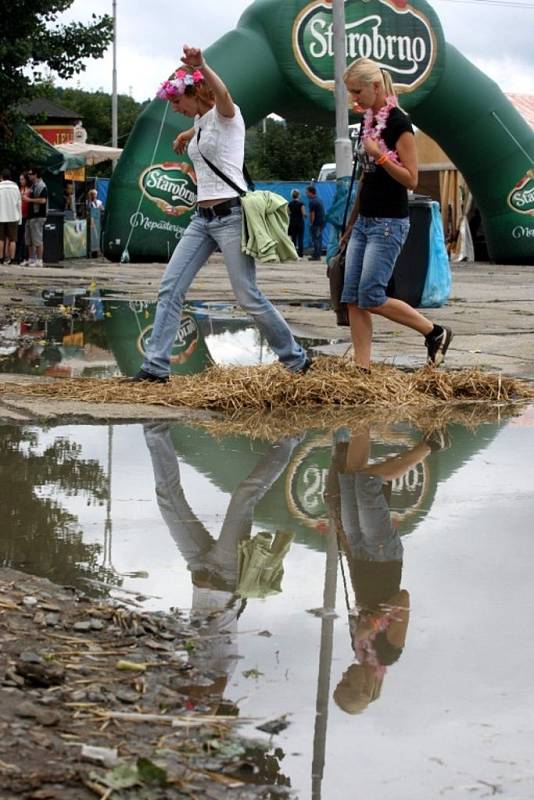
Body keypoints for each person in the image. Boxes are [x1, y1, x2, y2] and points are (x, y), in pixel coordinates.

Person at [132, 45, 310, 382]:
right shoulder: (200, 122)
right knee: (170, 286)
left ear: (195, 92)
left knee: (247, 296)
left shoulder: (230, 115)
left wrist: (202, 65)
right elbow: (203, 128)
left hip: (231, 217)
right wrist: (188, 133)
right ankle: (155, 366)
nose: (174, 108)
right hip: (202, 220)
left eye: (176, 101)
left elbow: (223, 96)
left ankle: (296, 359)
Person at [327, 424, 449, 714]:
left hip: (359, 554)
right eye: (345, 683)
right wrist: (374, 622)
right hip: (383, 558)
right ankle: (432, 446)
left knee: (349, 480)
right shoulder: (388, 653)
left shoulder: (359, 652)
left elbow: (361, 600)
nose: (342, 676)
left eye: (338, 682)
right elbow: (403, 599)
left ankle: (364, 418)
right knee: (368, 484)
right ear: (364, 688)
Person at [340, 58, 453, 371]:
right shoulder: (369, 120)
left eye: (357, 91)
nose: (354, 98)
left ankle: (435, 332)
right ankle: (363, 368)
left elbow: (412, 179)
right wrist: (351, 222)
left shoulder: (399, 123)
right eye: (350, 92)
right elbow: (366, 175)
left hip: (389, 223)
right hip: (364, 221)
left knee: (372, 295)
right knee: (352, 296)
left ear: (376, 86)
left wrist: (381, 158)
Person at [25, 167, 48, 267]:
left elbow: (43, 200)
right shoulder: (33, 185)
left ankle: (39, 260)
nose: (29, 176)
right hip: (31, 216)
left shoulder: (42, 186)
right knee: (29, 239)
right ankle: (31, 259)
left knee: (37, 239)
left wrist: (29, 200)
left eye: (31, 174)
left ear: (36, 175)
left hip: (38, 215)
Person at [0, 168, 22, 265]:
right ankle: (12, 259)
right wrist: (20, 217)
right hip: (13, 216)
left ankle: (0, 258)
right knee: (13, 239)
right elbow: (19, 203)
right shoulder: (15, 187)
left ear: (2, 177)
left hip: (1, 216)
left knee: (0, 239)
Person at [305, 184, 325, 261]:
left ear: (311, 192)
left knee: (316, 239)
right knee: (319, 238)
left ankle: (316, 256)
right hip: (322, 222)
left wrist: (311, 223)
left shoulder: (312, 202)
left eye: (307, 192)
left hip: (316, 223)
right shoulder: (319, 199)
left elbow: (312, 214)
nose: (306, 194)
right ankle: (318, 254)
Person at [15, 172, 31, 265]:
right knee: (19, 236)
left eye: (23, 179)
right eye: (20, 179)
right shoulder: (19, 189)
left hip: (26, 215)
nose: (21, 181)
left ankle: (24, 256)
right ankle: (18, 256)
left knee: (25, 237)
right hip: (19, 215)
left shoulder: (29, 190)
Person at [287, 188, 305, 257]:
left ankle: (294, 253)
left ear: (292, 196)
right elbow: (303, 213)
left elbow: (288, 212)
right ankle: (300, 253)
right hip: (300, 222)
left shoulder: (290, 204)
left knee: (293, 238)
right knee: (300, 238)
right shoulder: (301, 204)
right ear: (299, 195)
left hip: (292, 223)